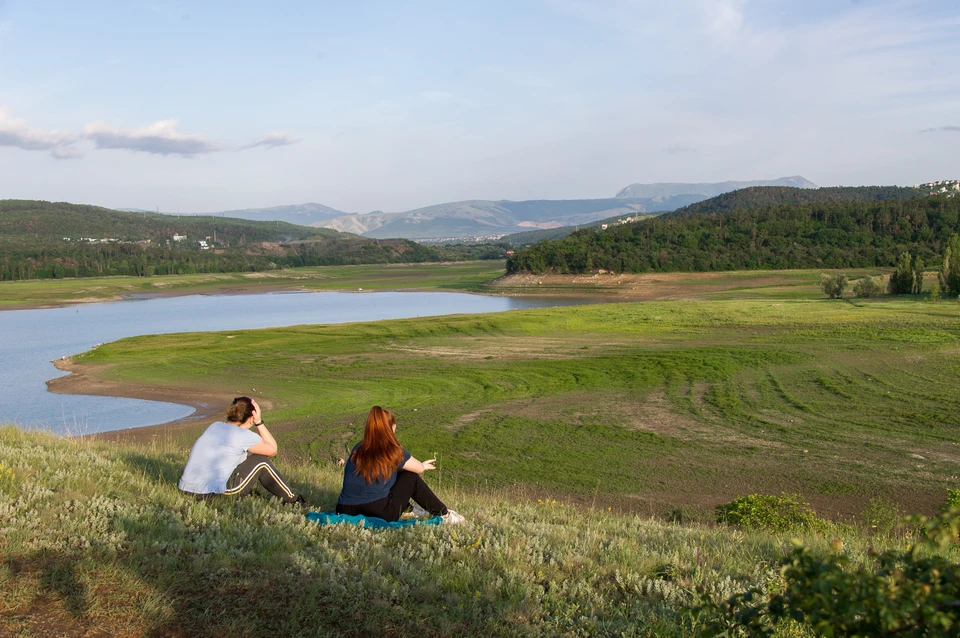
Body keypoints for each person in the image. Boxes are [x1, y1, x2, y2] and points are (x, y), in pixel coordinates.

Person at [336, 406, 464, 524]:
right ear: (392, 427)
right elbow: (418, 469)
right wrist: (423, 466)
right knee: (410, 477)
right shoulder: (393, 452)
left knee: (392, 474)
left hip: (343, 509)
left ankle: (408, 509)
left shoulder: (358, 448)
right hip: (378, 513)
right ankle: (445, 514)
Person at [179, 397, 303, 504]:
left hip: (185, 490)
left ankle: (252, 494)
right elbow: (272, 450)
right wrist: (259, 422)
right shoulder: (244, 436)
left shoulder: (215, 426)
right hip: (212, 495)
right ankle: (294, 500)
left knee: (246, 460)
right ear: (251, 417)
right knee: (261, 461)